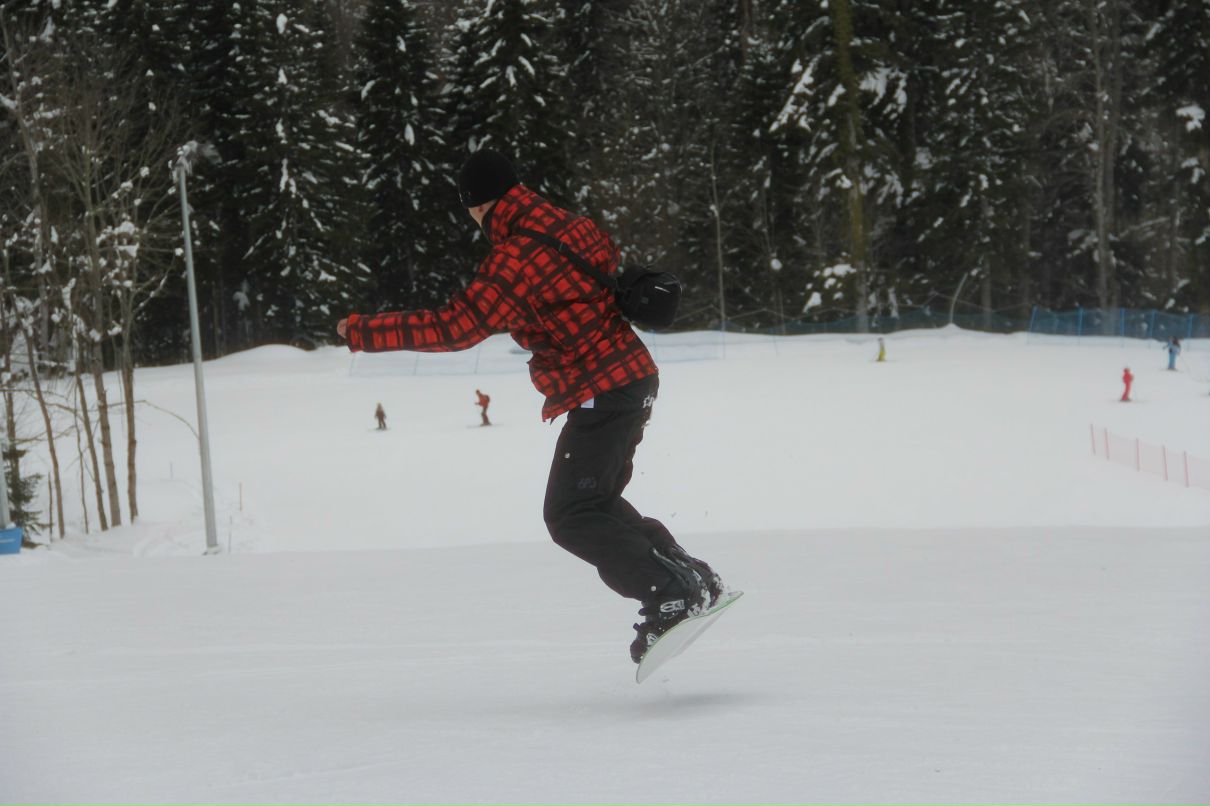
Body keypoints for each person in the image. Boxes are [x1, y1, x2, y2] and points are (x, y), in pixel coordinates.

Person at [336, 149, 724, 664]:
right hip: (631, 378)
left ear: (477, 205)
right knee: (596, 503)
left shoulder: (515, 257)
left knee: (570, 515)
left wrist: (361, 331)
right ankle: (692, 578)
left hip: (603, 388)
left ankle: (669, 593)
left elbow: (456, 328)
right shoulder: (571, 225)